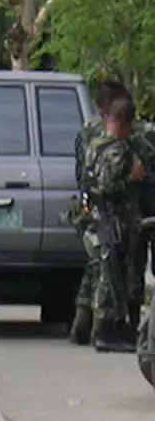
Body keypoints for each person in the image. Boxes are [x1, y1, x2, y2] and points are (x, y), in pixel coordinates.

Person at [69, 79, 130, 344]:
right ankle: (103, 328)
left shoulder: (87, 133)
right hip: (108, 210)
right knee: (107, 268)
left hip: (87, 206)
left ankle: (83, 324)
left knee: (95, 266)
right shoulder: (113, 140)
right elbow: (112, 181)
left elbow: (81, 170)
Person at [82, 95, 144, 354]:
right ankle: (108, 332)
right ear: (124, 123)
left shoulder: (94, 145)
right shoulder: (118, 150)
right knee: (113, 276)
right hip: (113, 219)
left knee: (107, 274)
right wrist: (132, 177)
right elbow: (108, 187)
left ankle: (114, 329)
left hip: (97, 217)